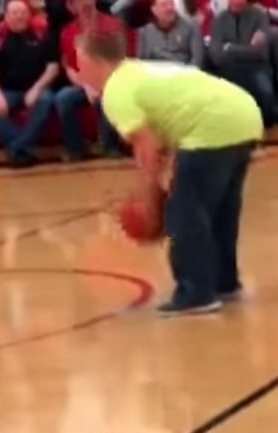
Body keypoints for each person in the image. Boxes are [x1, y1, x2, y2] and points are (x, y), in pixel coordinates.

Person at [75, 30, 263, 316]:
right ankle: (223, 282)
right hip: (244, 113)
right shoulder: (138, 70)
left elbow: (147, 147)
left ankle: (195, 293)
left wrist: (150, 201)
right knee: (220, 210)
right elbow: (166, 137)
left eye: (79, 59)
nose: (78, 67)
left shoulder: (116, 90)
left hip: (210, 127)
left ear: (91, 59)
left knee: (183, 211)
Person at [0, 0, 60, 167]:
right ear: (6, 17)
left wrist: (36, 89)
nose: (19, 16)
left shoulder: (42, 34)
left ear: (29, 15)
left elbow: (53, 68)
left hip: (38, 87)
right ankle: (21, 149)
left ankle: (17, 148)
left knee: (45, 100)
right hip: (10, 90)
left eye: (23, 12)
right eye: (14, 13)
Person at [56, 0, 124, 160]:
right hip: (84, 82)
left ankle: (110, 146)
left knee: (105, 98)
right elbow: (68, 67)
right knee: (63, 98)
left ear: (94, 0)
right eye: (79, 0)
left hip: (111, 78)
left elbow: (118, 59)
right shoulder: (67, 32)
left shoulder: (112, 25)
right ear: (71, 6)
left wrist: (101, 84)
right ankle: (75, 149)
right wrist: (86, 85)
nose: (85, 3)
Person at [208, 0, 278, 124]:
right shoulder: (218, 20)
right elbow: (216, 56)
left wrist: (230, 48)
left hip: (256, 68)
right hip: (227, 70)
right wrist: (246, 48)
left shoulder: (259, 16)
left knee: (266, 94)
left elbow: (261, 52)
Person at [138, 0, 205, 67]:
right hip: (156, 75)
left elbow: (198, 61)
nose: (170, 8)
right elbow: (141, 64)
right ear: (154, 10)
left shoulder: (191, 27)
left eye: (171, 3)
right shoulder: (145, 32)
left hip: (183, 74)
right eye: (164, 5)